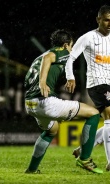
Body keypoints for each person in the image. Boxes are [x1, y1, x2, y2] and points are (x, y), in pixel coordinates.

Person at [65, 5, 110, 172]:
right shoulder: (88, 37)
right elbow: (71, 57)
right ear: (98, 20)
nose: (109, 23)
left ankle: (83, 149)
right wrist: (70, 76)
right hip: (96, 83)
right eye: (106, 20)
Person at [24, 29, 103, 174]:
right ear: (66, 44)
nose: (71, 49)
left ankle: (32, 169)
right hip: (45, 102)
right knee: (93, 113)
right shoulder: (60, 51)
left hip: (30, 103)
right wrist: (43, 82)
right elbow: (49, 58)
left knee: (51, 130)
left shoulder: (39, 57)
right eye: (71, 46)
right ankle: (84, 158)